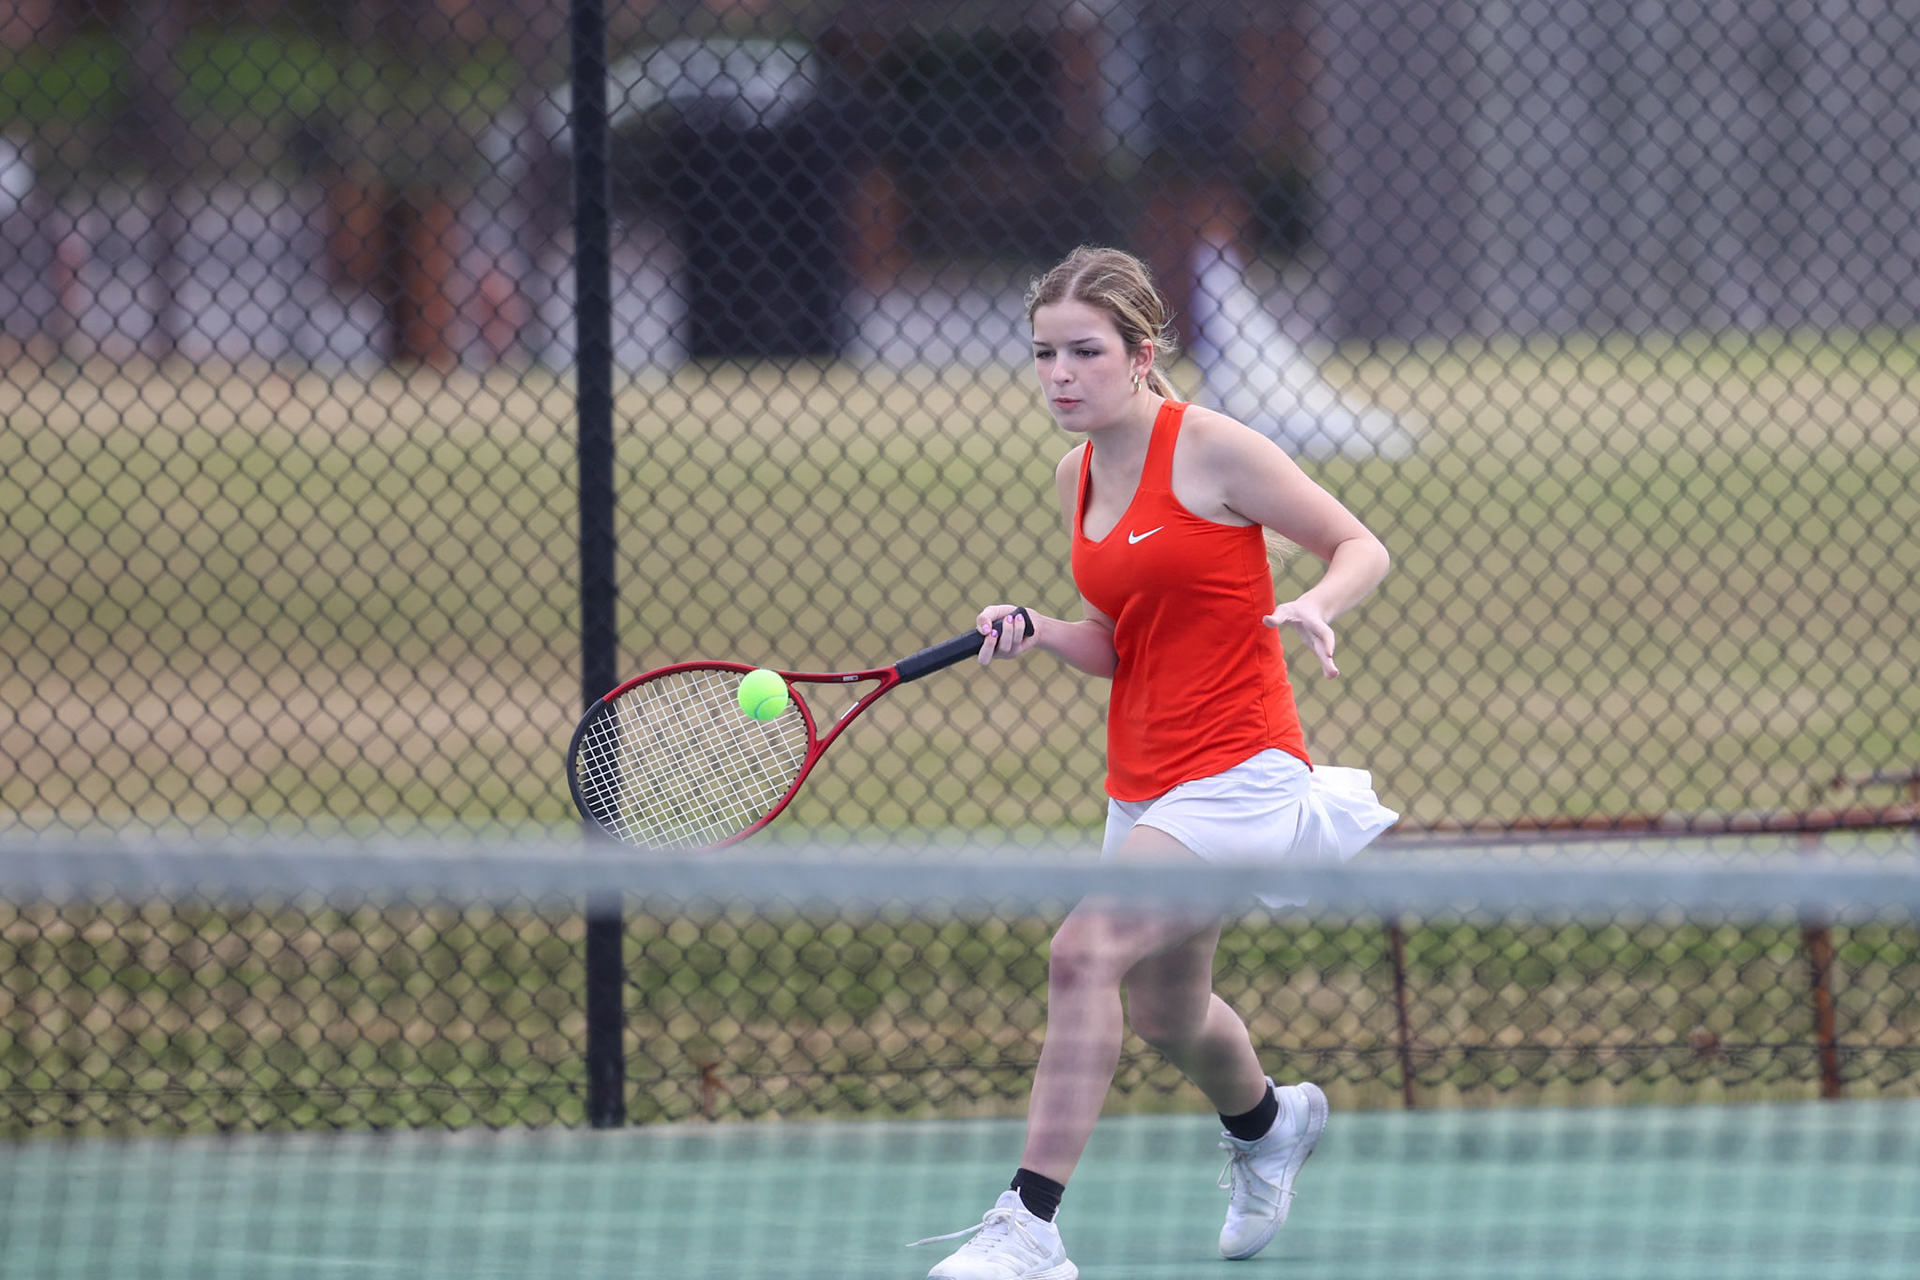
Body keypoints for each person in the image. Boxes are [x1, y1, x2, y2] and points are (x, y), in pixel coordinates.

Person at [910, 246, 1396, 1280]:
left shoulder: (1215, 448)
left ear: (1141, 353)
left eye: (1084, 350)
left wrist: (1316, 600)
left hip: (1243, 769)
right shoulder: (1074, 473)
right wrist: (1040, 627)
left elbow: (1360, 544)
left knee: (1081, 952)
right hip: (1144, 781)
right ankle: (1270, 1124)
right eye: (1043, 352)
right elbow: (1118, 639)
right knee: (1170, 1013)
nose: (1059, 373)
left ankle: (1029, 1225)